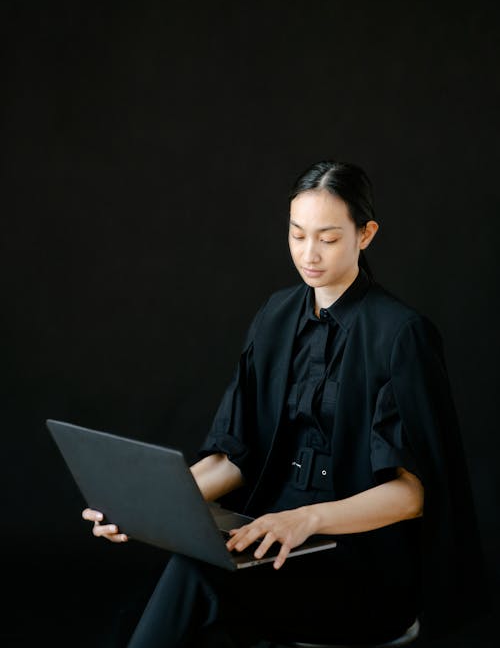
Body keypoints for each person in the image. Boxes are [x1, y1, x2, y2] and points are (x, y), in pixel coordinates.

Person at [83, 160, 486, 647]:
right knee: (195, 572)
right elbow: (236, 458)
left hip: (362, 564)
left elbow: (413, 494)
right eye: (297, 235)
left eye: (329, 238)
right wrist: (139, 504)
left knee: (196, 588)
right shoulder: (274, 316)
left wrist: (308, 519)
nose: (308, 254)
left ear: (366, 234)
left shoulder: (400, 335)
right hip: (272, 537)